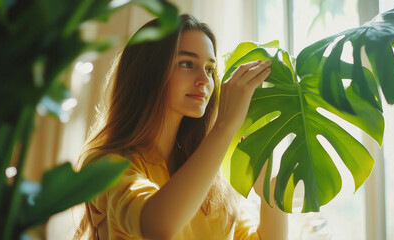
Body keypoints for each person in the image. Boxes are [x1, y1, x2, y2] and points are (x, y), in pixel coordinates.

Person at [75, 14, 287, 240]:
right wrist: (225, 124)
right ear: (148, 72)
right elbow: (158, 227)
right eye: (186, 64)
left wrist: (270, 190)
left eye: (209, 69)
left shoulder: (213, 182)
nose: (204, 80)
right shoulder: (105, 166)